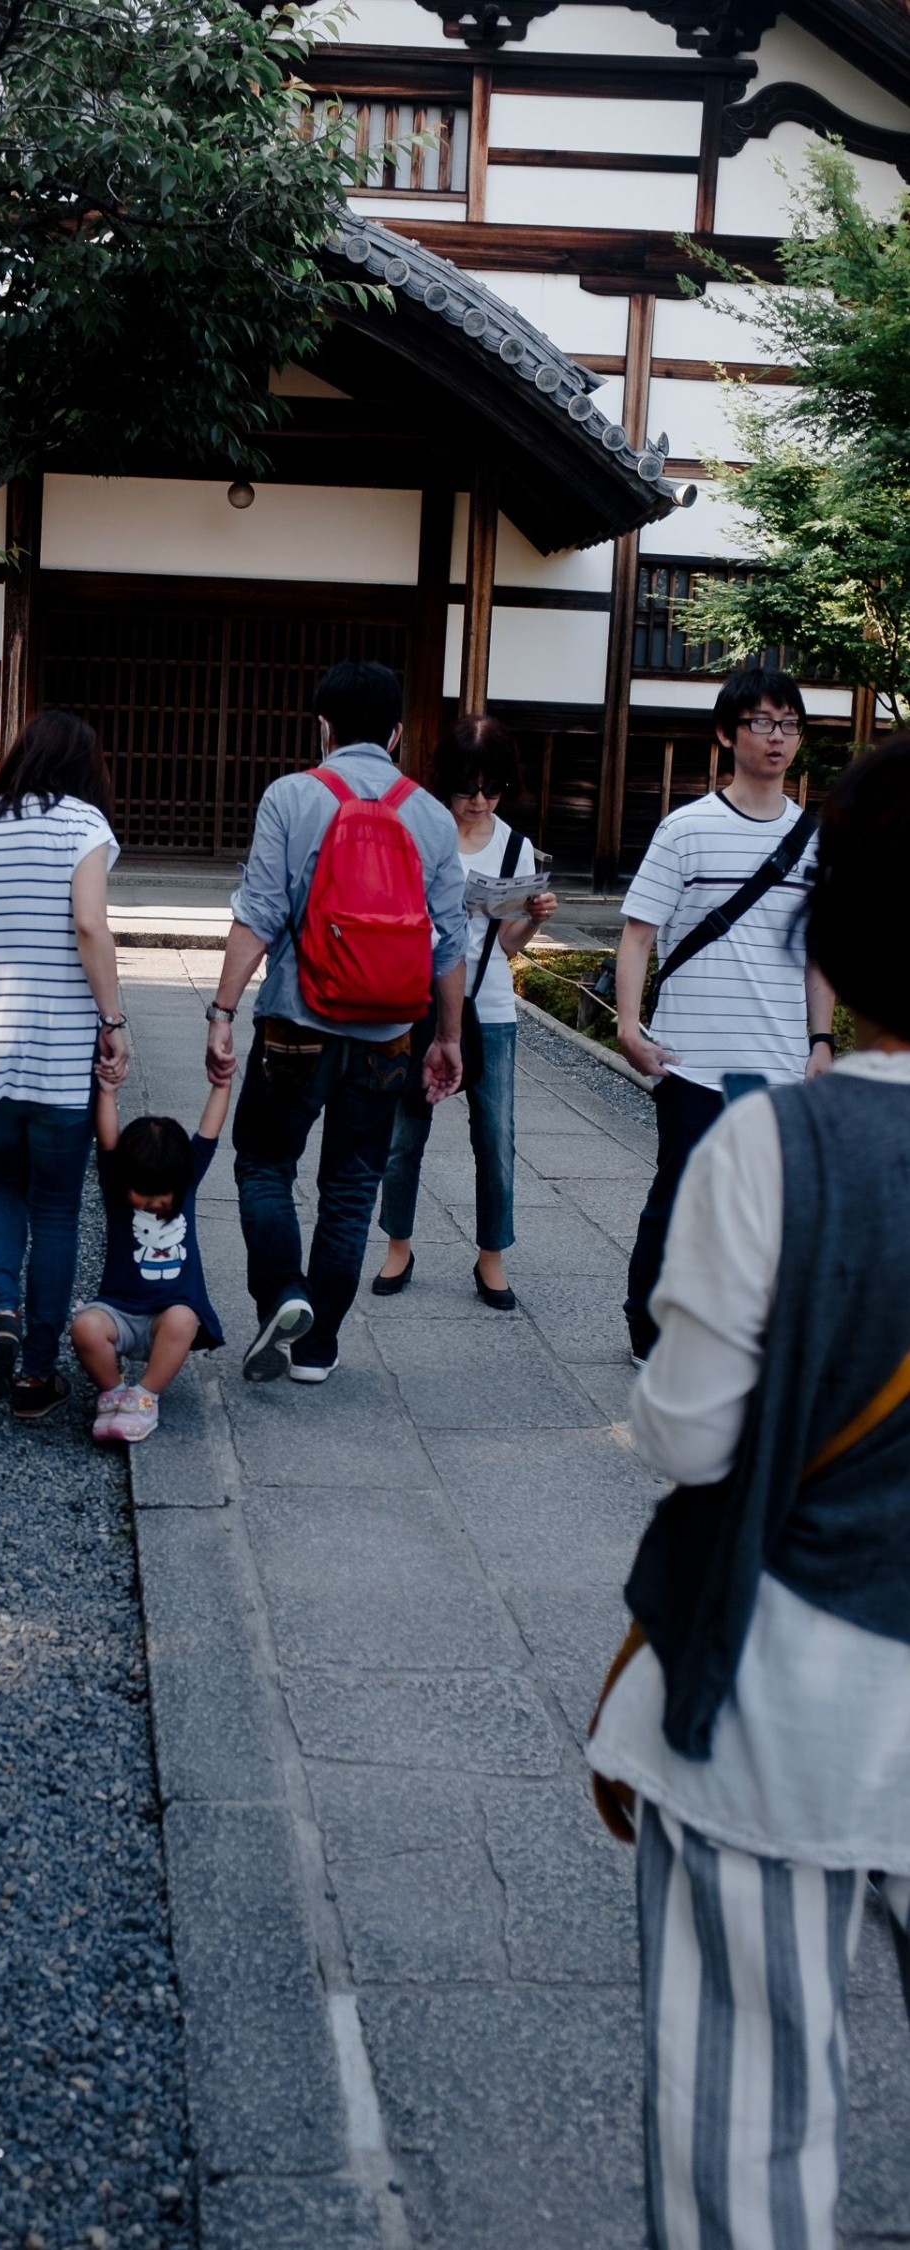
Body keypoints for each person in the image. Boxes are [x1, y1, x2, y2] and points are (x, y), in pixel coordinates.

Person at [588, 736, 910, 2250]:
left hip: (780, 1707)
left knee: (748, 2147)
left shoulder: (777, 1147)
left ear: (838, 941)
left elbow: (691, 1439)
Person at [203, 660, 468, 1384]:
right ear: (397, 733)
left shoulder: (293, 796)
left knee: (263, 1164)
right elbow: (450, 941)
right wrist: (446, 1038)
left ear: (322, 727)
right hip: (388, 1035)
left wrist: (222, 1010)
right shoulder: (434, 816)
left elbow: (258, 912)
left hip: (296, 1025)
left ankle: (284, 1296)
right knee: (351, 1190)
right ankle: (318, 1349)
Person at [615, 665, 836, 1359]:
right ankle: (647, 1323)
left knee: (764, 1208)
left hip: (777, 1061)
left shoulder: (814, 839)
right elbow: (638, 934)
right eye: (763, 722)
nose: (778, 737)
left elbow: (817, 954)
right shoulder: (686, 830)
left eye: (790, 723)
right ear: (727, 733)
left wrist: (821, 1038)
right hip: (693, 1058)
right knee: (680, 1194)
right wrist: (628, 1026)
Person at [0, 710, 129, 1421]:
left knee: (3, 1188)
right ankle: (37, 1374)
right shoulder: (84, 827)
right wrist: (112, 1021)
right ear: (85, 767)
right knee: (57, 1206)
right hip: (56, 1051)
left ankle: (0, 1309)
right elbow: (89, 926)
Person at [374, 716, 557, 1310]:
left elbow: (504, 946)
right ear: (444, 782)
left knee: (495, 1133)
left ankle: (491, 1256)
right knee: (405, 1133)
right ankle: (398, 1244)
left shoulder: (513, 845)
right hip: (415, 1000)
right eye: (467, 787)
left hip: (490, 1003)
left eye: (492, 788)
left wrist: (534, 916)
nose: (479, 801)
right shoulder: (416, 831)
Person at [71, 1074, 230, 1444]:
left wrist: (222, 1084)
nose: (153, 1203)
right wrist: (108, 1091)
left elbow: (207, 1135)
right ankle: (113, 1394)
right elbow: (109, 1145)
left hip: (168, 1316)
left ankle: (145, 1396)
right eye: (143, 1194)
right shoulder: (116, 1190)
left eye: (162, 1197)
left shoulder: (186, 1183)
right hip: (119, 1313)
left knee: (183, 1317)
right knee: (84, 1327)